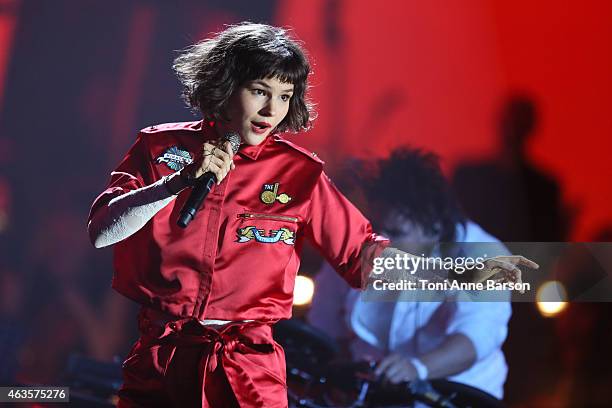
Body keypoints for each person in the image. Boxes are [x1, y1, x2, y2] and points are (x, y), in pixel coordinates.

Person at [88, 22, 536, 407]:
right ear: (224, 86)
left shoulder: (299, 174)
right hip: (159, 358)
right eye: (259, 92)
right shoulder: (157, 148)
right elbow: (103, 231)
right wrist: (176, 184)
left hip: (248, 369)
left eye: (284, 96)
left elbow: (366, 258)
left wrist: (464, 275)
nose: (271, 110)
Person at [309, 148, 512, 399]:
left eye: (397, 232)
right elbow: (324, 323)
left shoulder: (484, 256)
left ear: (435, 228)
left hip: (457, 397)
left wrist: (417, 368)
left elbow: (474, 339)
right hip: (370, 394)